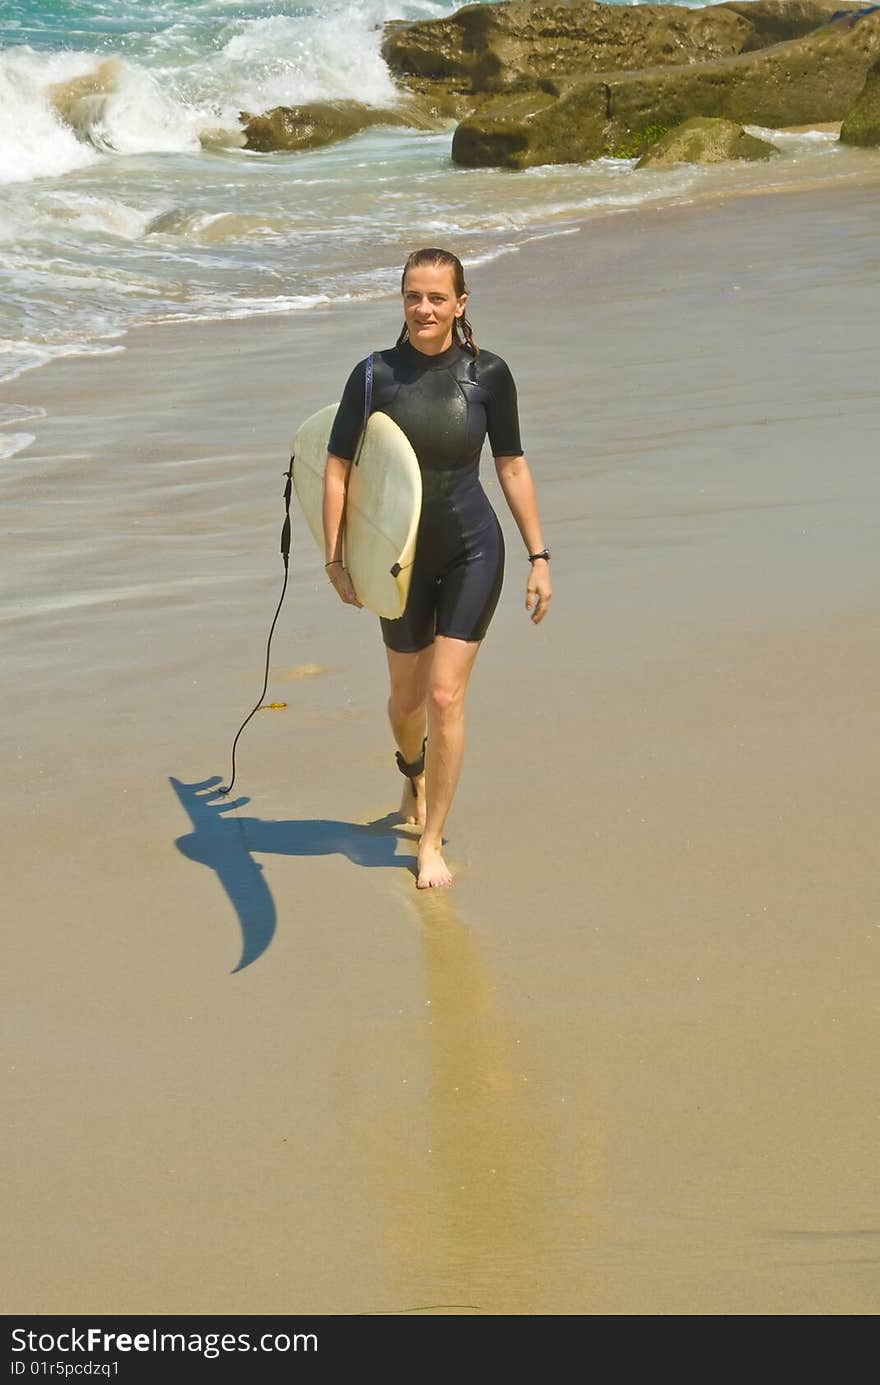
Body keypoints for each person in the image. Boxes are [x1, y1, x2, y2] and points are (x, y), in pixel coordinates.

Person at [322, 247, 551, 889]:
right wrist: (337, 558)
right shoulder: (373, 376)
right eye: (413, 296)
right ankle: (411, 774)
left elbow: (511, 464)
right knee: (405, 702)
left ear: (460, 302)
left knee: (445, 695)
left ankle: (430, 839)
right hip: (399, 560)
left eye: (436, 297)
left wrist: (539, 557)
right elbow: (336, 464)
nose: (424, 308)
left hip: (473, 546)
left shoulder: (489, 375)